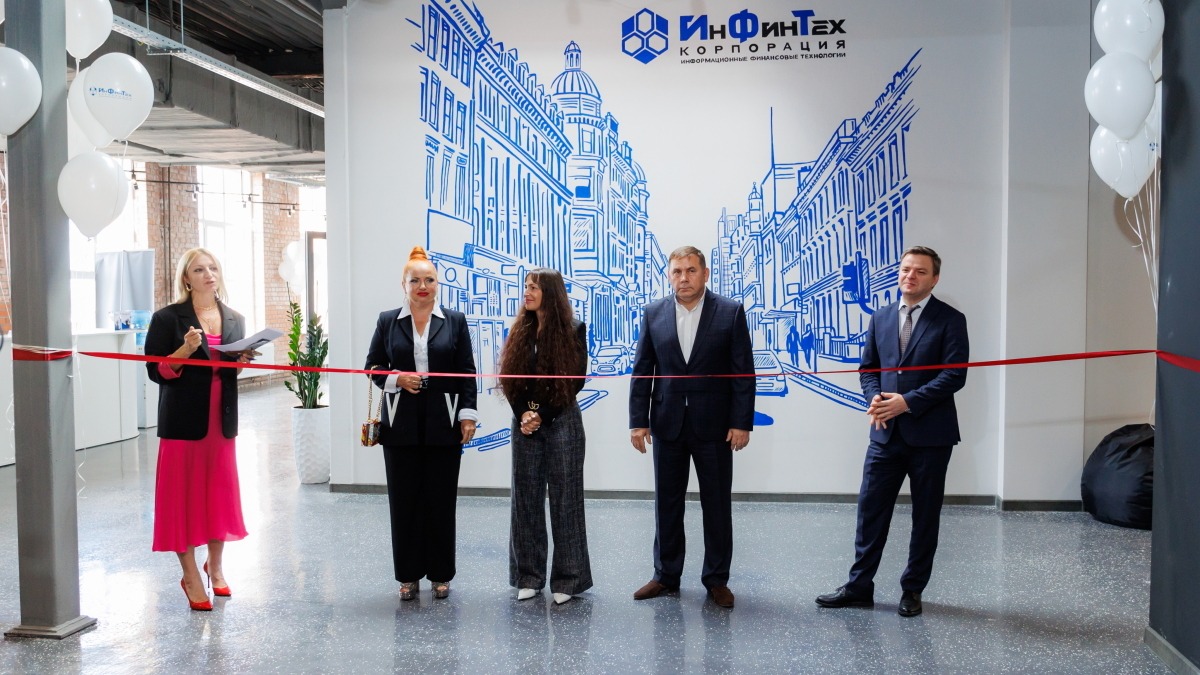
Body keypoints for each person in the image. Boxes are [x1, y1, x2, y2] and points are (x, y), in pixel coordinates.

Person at [816, 246, 968, 618]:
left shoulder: (951, 320)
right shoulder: (881, 317)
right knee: (870, 511)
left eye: (920, 271)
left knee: (925, 516)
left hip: (931, 437)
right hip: (884, 434)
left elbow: (954, 376)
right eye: (905, 269)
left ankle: (912, 590)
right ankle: (859, 586)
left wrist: (907, 402)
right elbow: (868, 369)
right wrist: (874, 398)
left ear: (934, 279)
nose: (910, 276)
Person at [628, 245, 755, 609]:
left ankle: (716, 579)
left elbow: (743, 373)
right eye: (677, 272)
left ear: (705, 273)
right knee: (667, 504)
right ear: (670, 276)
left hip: (715, 426)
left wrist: (741, 422)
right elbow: (642, 371)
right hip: (666, 424)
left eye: (691, 270)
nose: (683, 278)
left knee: (717, 505)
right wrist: (638, 422)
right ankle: (665, 575)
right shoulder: (653, 313)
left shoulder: (729, 312)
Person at [145, 247, 258, 611]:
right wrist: (184, 349)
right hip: (182, 421)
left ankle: (216, 567)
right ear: (186, 278)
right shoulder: (167, 318)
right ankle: (190, 574)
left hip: (220, 421)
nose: (209, 274)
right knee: (181, 497)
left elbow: (230, 371)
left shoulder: (235, 318)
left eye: (213, 268)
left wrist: (241, 360)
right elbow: (156, 371)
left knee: (217, 495)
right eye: (199, 269)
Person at [364, 246, 478, 601]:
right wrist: (397, 378)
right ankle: (408, 575)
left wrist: (468, 414)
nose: (423, 286)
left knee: (441, 501)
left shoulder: (455, 321)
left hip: (445, 421)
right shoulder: (387, 321)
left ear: (438, 284)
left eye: (429, 280)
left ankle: (441, 574)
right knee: (404, 502)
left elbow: (467, 371)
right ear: (404, 284)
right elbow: (372, 367)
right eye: (415, 280)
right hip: (400, 425)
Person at [498, 268, 591, 605]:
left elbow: (574, 380)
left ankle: (568, 579)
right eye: (526, 286)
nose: (527, 292)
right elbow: (509, 377)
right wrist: (523, 412)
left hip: (561, 420)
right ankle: (528, 576)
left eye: (534, 287)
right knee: (525, 499)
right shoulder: (519, 330)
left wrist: (541, 415)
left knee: (566, 500)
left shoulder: (573, 329)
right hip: (525, 423)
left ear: (550, 293)